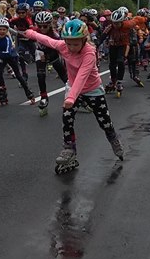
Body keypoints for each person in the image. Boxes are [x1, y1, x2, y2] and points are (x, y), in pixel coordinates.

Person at [23, 18, 124, 174]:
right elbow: (48, 40)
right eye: (68, 43)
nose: (71, 48)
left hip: (92, 89)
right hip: (72, 87)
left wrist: (71, 97)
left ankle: (113, 138)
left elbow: (82, 76)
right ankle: (69, 148)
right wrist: (31, 33)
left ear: (84, 40)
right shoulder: (63, 46)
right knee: (67, 118)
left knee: (104, 122)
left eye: (75, 44)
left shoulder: (89, 53)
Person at [0, 17, 35, 106]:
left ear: (7, 30)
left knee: (18, 75)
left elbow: (7, 54)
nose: (2, 32)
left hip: (12, 57)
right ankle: (2, 91)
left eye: (4, 30)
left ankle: (28, 92)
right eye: (0, 29)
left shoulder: (7, 40)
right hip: (2, 56)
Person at [31, 10, 68, 115]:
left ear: (50, 24)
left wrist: (48, 57)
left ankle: (75, 94)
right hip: (40, 52)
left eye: (45, 26)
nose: (42, 28)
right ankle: (43, 97)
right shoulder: (35, 31)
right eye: (40, 26)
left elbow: (58, 49)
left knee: (63, 75)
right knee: (40, 75)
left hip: (52, 52)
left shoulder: (55, 35)